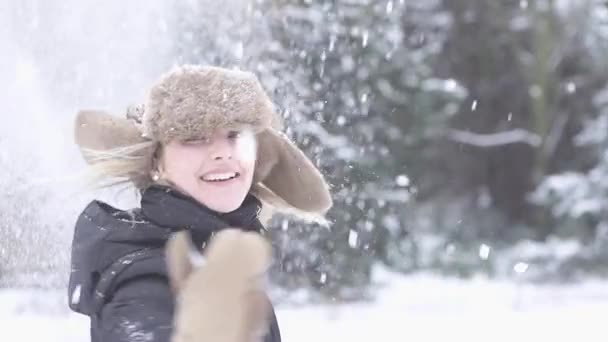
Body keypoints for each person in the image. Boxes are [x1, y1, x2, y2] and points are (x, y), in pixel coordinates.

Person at [67, 65, 333, 342]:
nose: (223, 152)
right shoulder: (144, 282)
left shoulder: (216, 253)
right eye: (194, 138)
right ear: (156, 162)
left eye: (235, 135)